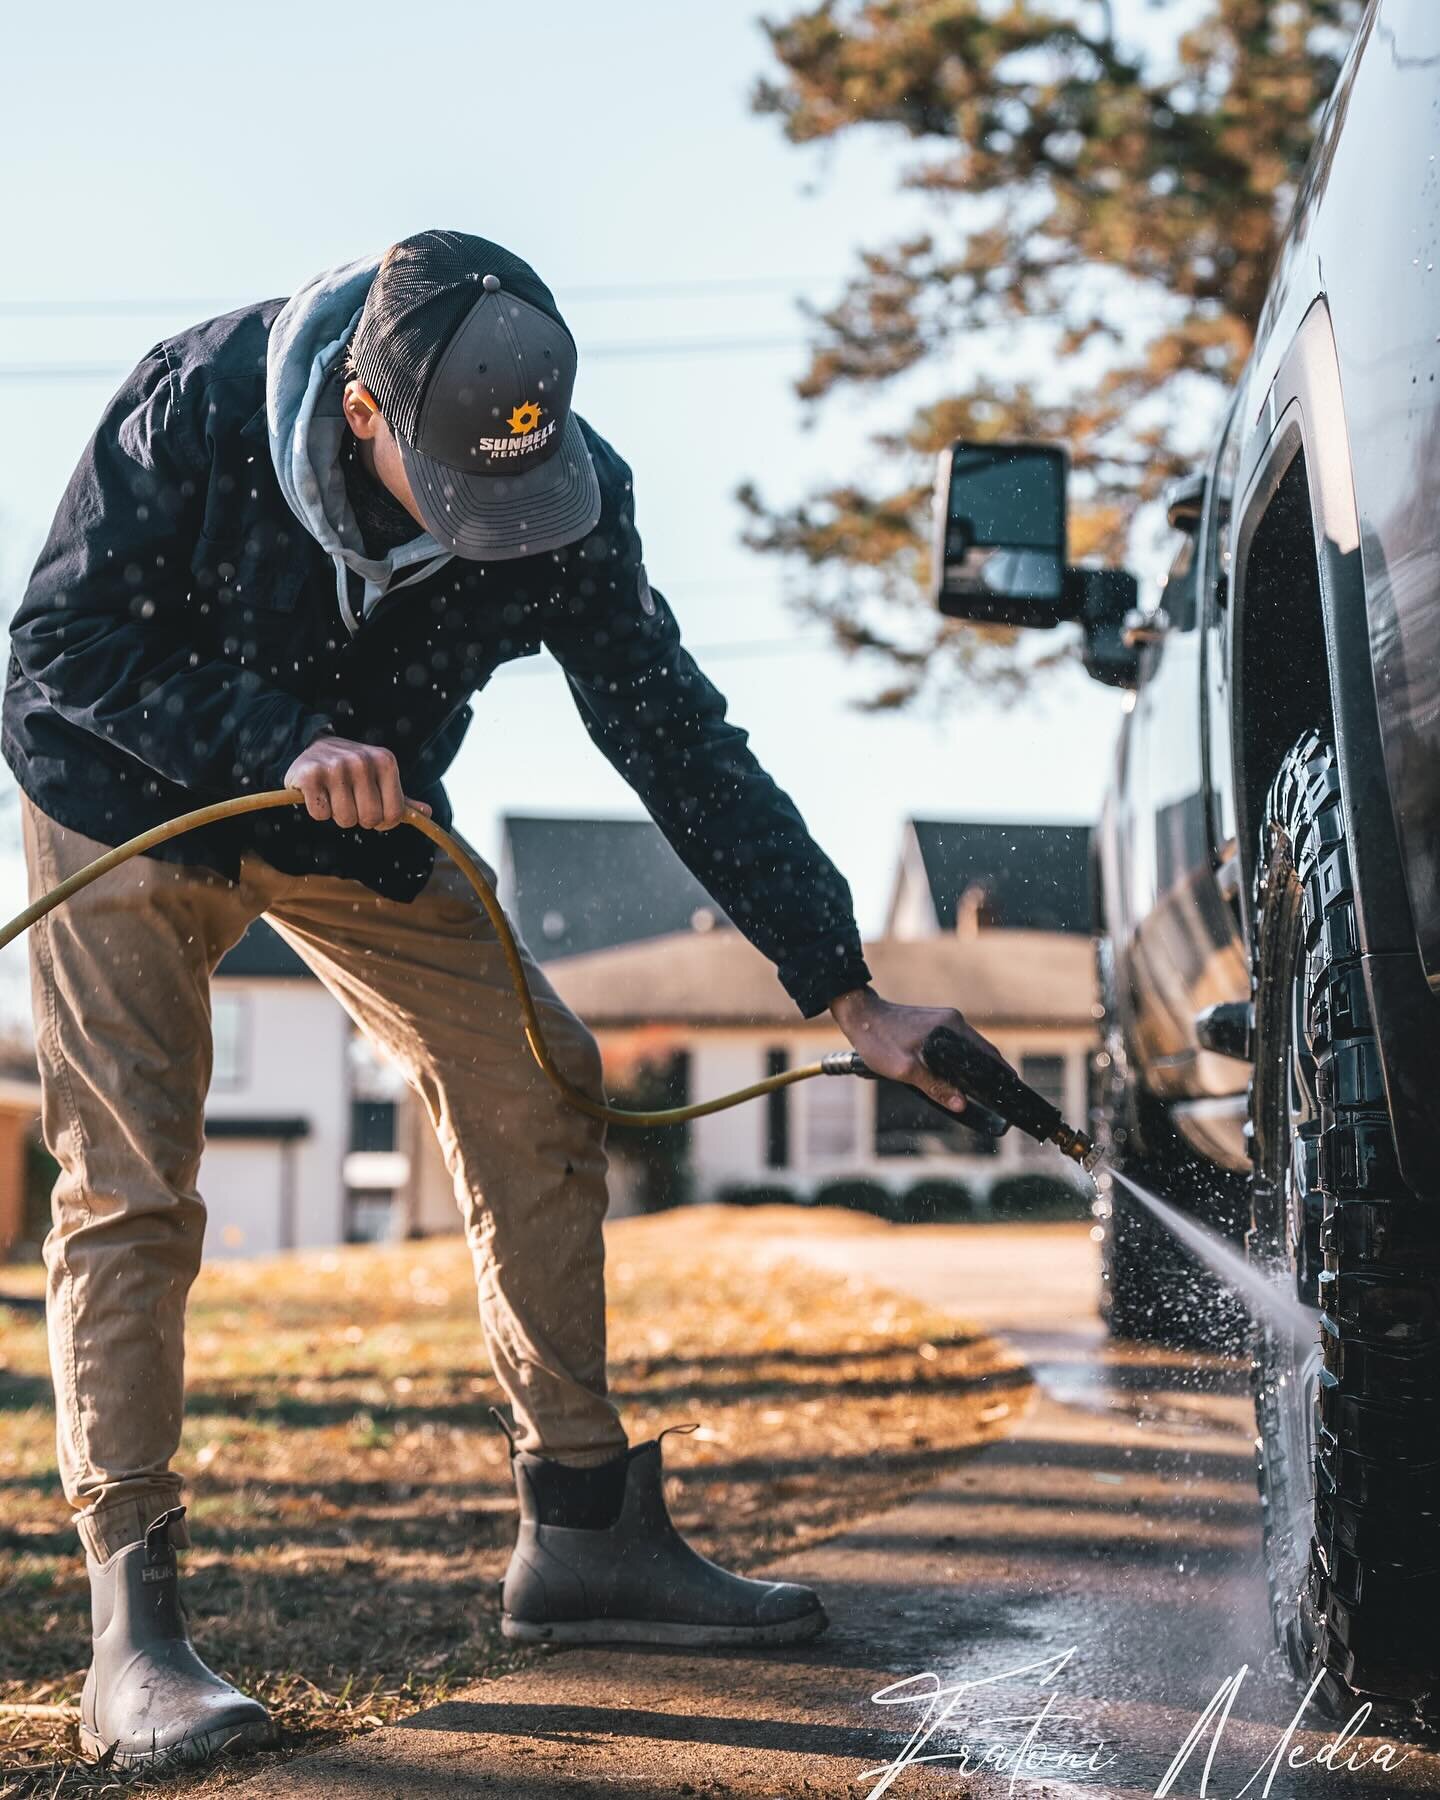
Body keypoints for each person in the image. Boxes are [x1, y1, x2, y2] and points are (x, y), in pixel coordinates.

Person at [4, 230, 1008, 1769]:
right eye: (459, 498)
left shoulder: (564, 499)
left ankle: (583, 1534)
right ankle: (134, 1631)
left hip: (359, 813)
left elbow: (676, 738)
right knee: (134, 1177)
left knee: (541, 1075)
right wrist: (274, 735)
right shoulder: (192, 409)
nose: (499, 537)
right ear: (362, 418)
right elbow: (54, 650)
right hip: (129, 794)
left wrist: (846, 991)